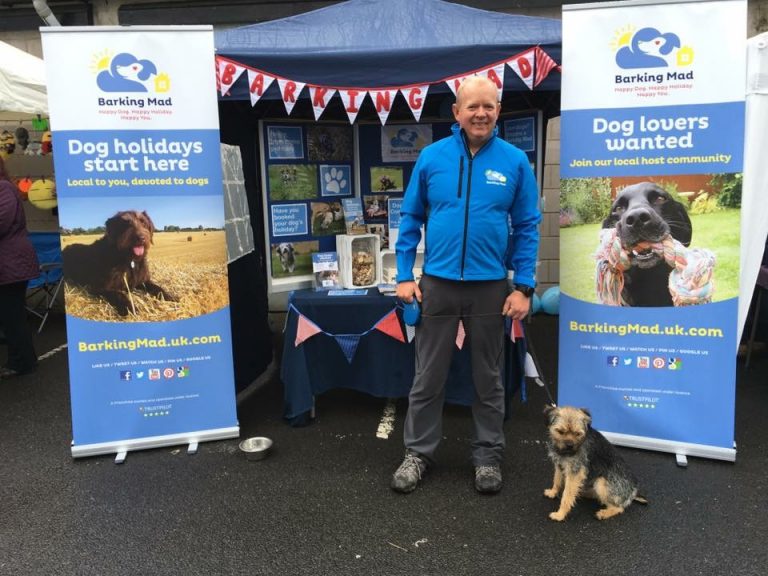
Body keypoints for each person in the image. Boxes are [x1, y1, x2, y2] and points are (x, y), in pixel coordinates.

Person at [392, 76, 541, 494]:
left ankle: (488, 457)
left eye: (488, 106)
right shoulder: (432, 157)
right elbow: (410, 218)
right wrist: (405, 275)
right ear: (456, 112)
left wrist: (524, 286)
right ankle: (418, 453)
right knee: (428, 377)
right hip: (437, 284)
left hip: (491, 288)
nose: (480, 113)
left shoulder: (514, 161)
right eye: (472, 106)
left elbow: (528, 226)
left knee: (488, 378)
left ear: (498, 110)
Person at [0, 155, 39, 379]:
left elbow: (2, 222)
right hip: (9, 263)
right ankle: (22, 360)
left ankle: (21, 362)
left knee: (12, 316)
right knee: (10, 315)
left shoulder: (4, 188)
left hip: (10, 263)